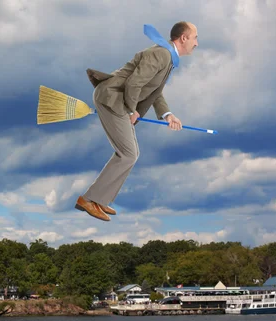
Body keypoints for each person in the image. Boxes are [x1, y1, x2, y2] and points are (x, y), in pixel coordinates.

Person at [75, 21, 199, 221]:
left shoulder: (167, 57)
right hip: (111, 99)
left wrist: (168, 114)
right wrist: (132, 110)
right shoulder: (162, 54)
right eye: (195, 38)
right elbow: (134, 83)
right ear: (183, 38)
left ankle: (99, 200)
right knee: (128, 154)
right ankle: (89, 200)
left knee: (130, 154)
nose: (197, 43)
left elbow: (154, 91)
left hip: (116, 100)